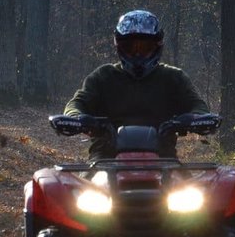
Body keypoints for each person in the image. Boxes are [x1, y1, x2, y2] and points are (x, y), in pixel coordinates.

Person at [63, 10, 209, 158]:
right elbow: (77, 103)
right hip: (105, 161)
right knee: (76, 176)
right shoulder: (102, 76)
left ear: (157, 46)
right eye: (130, 47)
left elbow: (198, 105)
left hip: (164, 161)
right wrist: (77, 118)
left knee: (199, 175)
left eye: (145, 48)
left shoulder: (173, 77)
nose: (137, 54)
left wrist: (194, 118)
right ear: (119, 47)